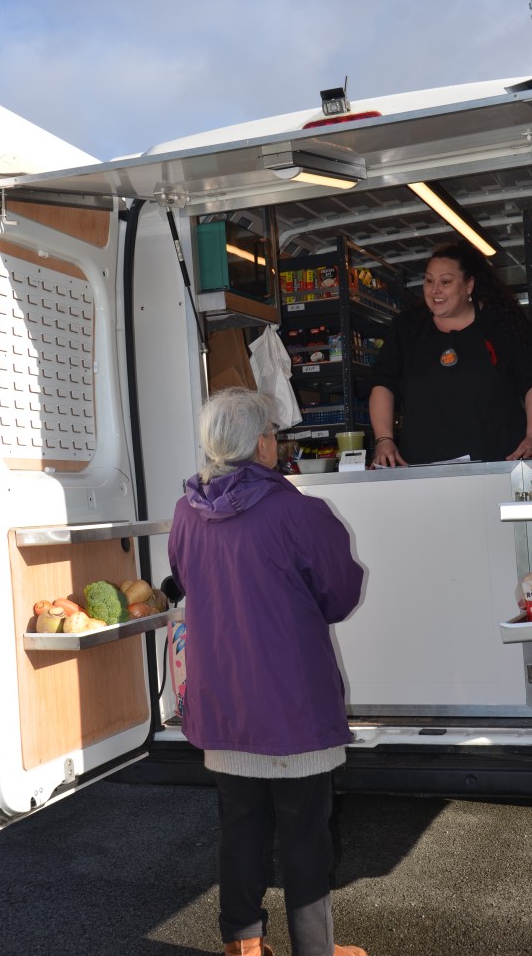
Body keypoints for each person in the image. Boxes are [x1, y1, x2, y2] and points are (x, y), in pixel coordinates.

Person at [168, 387, 367, 956]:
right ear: (260, 444)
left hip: (222, 699)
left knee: (240, 828)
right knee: (305, 835)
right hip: (292, 705)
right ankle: (314, 950)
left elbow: (183, 578)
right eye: (273, 434)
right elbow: (339, 594)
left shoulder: (185, 512)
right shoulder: (298, 511)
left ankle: (243, 945)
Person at [369, 241, 532, 468]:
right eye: (429, 281)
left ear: (469, 285)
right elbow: (383, 383)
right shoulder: (407, 328)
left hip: (498, 464)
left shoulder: (505, 324)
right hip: (421, 469)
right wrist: (384, 440)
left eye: (445, 282)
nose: (434, 290)